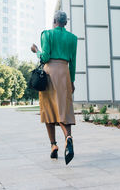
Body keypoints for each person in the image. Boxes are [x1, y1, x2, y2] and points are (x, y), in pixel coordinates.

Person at [31, 10, 77, 165]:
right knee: (64, 108)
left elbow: (45, 57)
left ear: (54, 20)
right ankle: (68, 137)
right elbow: (73, 62)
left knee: (49, 109)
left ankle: (53, 145)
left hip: (50, 72)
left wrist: (36, 51)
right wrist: (72, 81)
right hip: (65, 72)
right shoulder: (72, 38)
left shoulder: (47, 34)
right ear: (65, 22)